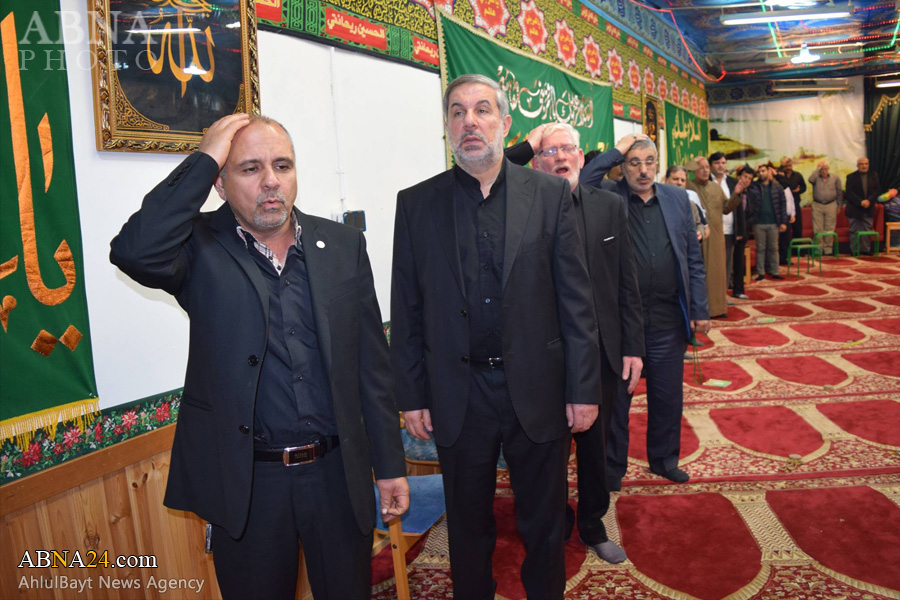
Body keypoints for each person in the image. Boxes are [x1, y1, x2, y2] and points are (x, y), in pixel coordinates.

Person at [110, 114, 409, 600]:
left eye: (282, 165)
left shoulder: (342, 246)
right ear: (220, 184)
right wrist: (204, 158)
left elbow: (372, 369)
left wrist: (390, 465)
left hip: (337, 475)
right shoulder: (197, 246)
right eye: (250, 168)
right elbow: (134, 251)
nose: (271, 181)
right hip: (248, 485)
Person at [391, 74, 602, 600]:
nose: (470, 122)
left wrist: (583, 388)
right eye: (458, 112)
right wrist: (411, 394)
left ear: (505, 124)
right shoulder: (416, 204)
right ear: (447, 127)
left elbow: (575, 301)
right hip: (458, 395)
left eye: (482, 110)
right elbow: (407, 307)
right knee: (467, 527)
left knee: (544, 522)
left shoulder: (549, 195)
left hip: (538, 388)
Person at [524, 122, 644, 564]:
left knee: (596, 452)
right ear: (536, 163)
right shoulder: (522, 210)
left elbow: (626, 281)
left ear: (581, 156)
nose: (559, 156)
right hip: (544, 359)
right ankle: (553, 523)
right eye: (548, 151)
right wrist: (527, 145)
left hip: (601, 355)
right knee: (547, 453)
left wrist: (633, 347)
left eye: (567, 149)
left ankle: (593, 524)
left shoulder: (609, 206)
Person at [605, 138, 710, 487]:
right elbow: (583, 180)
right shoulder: (608, 195)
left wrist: (699, 308)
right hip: (623, 324)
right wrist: (615, 153)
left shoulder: (678, 198)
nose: (643, 170)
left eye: (649, 161)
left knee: (667, 398)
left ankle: (664, 460)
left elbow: (692, 258)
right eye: (634, 162)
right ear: (623, 166)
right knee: (617, 403)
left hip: (667, 320)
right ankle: (612, 469)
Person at [686, 156, 736, 318]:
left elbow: (726, 208)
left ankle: (718, 309)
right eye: (700, 167)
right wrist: (693, 162)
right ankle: (701, 310)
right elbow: (682, 172)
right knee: (700, 273)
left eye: (707, 167)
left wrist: (737, 193)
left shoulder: (715, 187)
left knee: (717, 273)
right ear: (694, 170)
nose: (705, 170)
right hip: (699, 236)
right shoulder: (690, 185)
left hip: (716, 236)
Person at [747, 163, 788, 280]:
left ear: (768, 172)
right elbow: (747, 184)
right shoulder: (754, 186)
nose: (761, 173)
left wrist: (783, 222)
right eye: (759, 172)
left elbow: (782, 205)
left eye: (763, 171)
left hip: (774, 222)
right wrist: (754, 173)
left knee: (774, 248)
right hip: (758, 223)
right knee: (760, 248)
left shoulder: (777, 187)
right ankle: (761, 272)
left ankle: (774, 271)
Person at [709, 152, 741, 291]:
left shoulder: (732, 182)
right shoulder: (706, 182)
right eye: (717, 163)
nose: (720, 166)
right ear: (710, 165)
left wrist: (740, 230)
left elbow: (738, 208)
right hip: (711, 231)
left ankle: (723, 295)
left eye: (723, 163)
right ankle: (712, 295)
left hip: (728, 230)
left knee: (726, 264)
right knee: (712, 265)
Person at [727, 165, 756, 297]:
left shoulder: (751, 193)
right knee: (726, 262)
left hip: (743, 232)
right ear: (738, 177)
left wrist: (742, 229)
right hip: (729, 230)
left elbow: (753, 213)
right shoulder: (730, 189)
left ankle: (738, 290)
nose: (746, 180)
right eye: (745, 176)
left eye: (749, 178)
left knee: (739, 262)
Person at [845, 157, 883, 255]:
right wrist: (860, 202)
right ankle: (855, 250)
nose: (864, 166)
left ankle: (865, 250)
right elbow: (849, 192)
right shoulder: (851, 177)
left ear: (868, 165)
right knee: (854, 230)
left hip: (868, 208)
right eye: (862, 164)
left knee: (867, 229)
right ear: (858, 166)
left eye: (866, 164)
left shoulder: (874, 175)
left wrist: (868, 201)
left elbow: (877, 190)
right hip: (854, 208)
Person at [775, 157, 807, 263]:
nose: (789, 168)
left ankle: (798, 251)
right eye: (786, 166)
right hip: (783, 207)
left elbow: (804, 187)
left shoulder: (797, 175)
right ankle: (783, 254)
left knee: (797, 228)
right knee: (784, 232)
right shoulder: (780, 175)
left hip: (795, 204)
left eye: (790, 165)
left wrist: (799, 190)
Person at [809, 160, 843, 255]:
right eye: (822, 169)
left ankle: (828, 250)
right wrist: (817, 170)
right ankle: (818, 249)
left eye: (825, 169)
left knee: (830, 228)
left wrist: (839, 205)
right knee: (817, 228)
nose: (824, 171)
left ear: (828, 169)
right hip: (817, 205)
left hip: (831, 204)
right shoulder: (815, 177)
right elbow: (810, 180)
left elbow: (839, 192)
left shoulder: (835, 177)